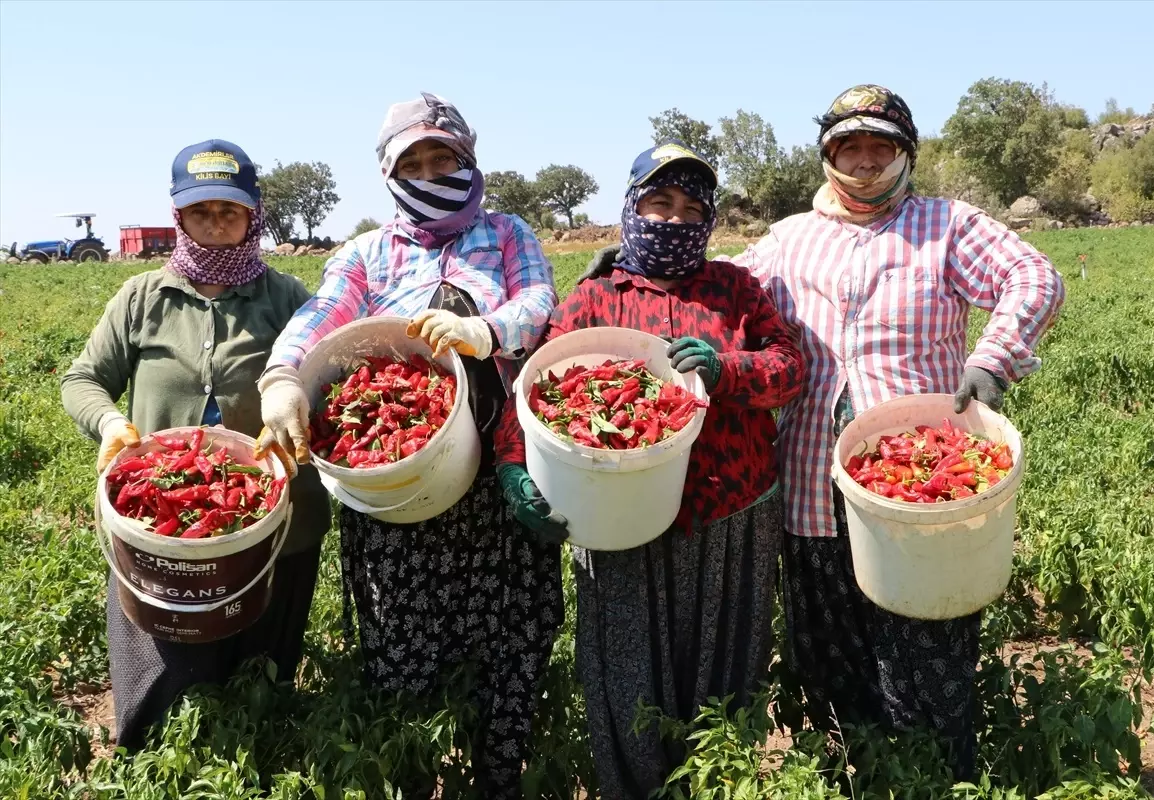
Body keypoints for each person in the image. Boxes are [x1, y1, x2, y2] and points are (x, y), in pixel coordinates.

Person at [581, 86, 1066, 779]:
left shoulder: (947, 225)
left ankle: (938, 781)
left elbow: (1034, 276)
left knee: (928, 656)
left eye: (881, 145)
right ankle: (855, 781)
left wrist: (993, 361)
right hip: (811, 492)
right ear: (828, 155)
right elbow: (705, 286)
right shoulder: (791, 238)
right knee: (832, 664)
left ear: (906, 153)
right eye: (849, 146)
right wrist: (626, 261)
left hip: (919, 487)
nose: (865, 160)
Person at [254, 92, 562, 798]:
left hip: (494, 477)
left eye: (442, 157)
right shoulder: (368, 251)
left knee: (507, 645)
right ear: (389, 175)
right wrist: (284, 380)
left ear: (469, 158)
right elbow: (322, 315)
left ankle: (497, 778)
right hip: (394, 481)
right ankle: (417, 774)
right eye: (412, 162)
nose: (429, 173)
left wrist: (488, 330)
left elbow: (538, 305)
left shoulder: (509, 233)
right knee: (403, 648)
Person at [494, 141, 806, 798]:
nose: (673, 220)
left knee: (722, 683)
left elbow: (790, 369)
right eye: (658, 203)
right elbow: (533, 394)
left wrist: (732, 370)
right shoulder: (591, 302)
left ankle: (719, 787)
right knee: (627, 684)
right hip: (617, 519)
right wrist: (514, 472)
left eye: (691, 208)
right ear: (632, 208)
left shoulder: (735, 290)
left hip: (730, 514)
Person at [61, 139, 331, 751]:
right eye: (200, 211)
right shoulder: (141, 298)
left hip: (272, 520)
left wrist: (298, 423)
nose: (215, 225)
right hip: (156, 517)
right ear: (179, 216)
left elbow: (328, 379)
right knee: (162, 676)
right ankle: (154, 767)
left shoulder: (286, 298)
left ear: (253, 216)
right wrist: (109, 425)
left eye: (229, 212)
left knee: (259, 677)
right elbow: (82, 380)